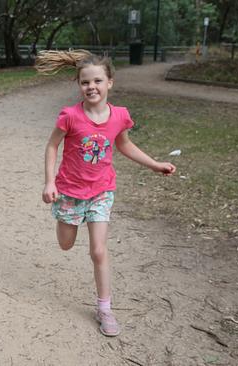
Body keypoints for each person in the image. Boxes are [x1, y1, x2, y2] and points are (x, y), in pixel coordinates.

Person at [35, 50, 175, 337]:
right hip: (70, 193)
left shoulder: (120, 116)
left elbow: (124, 145)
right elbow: (52, 147)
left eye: (98, 80)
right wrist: (50, 182)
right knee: (65, 244)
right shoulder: (70, 117)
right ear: (79, 85)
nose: (92, 87)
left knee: (98, 251)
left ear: (110, 82)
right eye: (85, 82)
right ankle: (65, 222)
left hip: (101, 192)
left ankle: (105, 308)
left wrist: (154, 164)